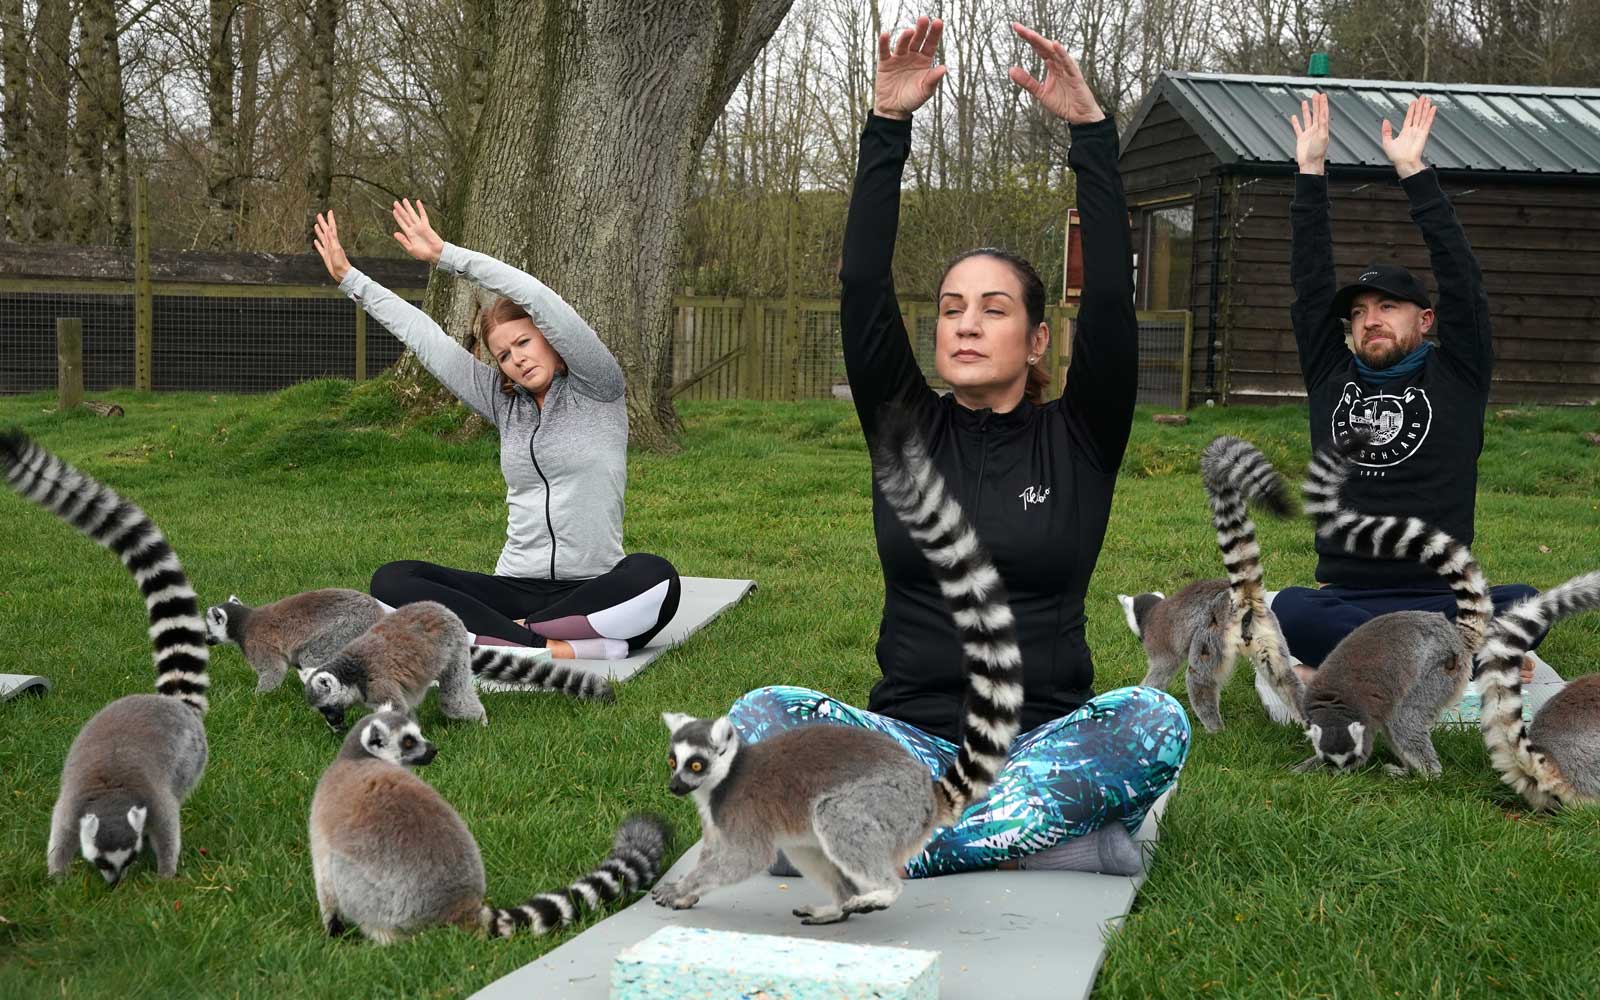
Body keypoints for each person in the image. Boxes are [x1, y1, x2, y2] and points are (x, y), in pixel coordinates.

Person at [729, 18, 1189, 879]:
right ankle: (1044, 840)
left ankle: (880, 845)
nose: (967, 322)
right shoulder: (904, 428)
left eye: (993, 308)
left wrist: (1091, 136)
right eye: (950, 307)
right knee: (760, 715)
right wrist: (886, 125)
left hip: (1039, 743)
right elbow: (862, 284)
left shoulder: (1080, 435)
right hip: (901, 743)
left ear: (1040, 338)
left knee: (1153, 723)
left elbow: (1116, 308)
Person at [311, 201, 680, 660]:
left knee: (656, 577)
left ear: (550, 339)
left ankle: (502, 637)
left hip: (591, 591)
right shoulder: (503, 402)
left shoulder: (599, 386)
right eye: (504, 355)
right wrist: (350, 278)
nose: (518, 358)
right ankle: (556, 648)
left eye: (524, 342)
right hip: (513, 587)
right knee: (392, 580)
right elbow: (423, 336)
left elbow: (538, 296)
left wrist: (446, 255)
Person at [1271, 94, 1539, 679]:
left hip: (1444, 593)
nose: (1371, 319)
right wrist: (1310, 172)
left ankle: (1368, 662)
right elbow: (1311, 284)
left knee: (1527, 601)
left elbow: (1463, 281)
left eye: (1389, 306)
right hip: (1347, 594)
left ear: (1425, 320)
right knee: (1290, 608)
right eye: (1361, 310)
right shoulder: (1329, 375)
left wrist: (1415, 174)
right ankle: (1442, 660)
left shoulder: (1457, 375)